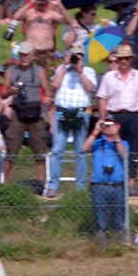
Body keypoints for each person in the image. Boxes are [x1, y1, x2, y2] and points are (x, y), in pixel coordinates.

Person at [96, 43, 138, 178]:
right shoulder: (109, 77)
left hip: (133, 116)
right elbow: (102, 99)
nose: (123, 61)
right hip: (114, 116)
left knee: (133, 150)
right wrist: (102, 120)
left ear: (131, 59)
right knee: (113, 147)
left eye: (126, 58)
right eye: (120, 59)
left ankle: (131, 181)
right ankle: (117, 178)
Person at [47, 48, 95, 196]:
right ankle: (53, 187)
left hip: (81, 113)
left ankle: (80, 187)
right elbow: (55, 85)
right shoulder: (62, 69)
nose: (76, 58)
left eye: (79, 55)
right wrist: (64, 65)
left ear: (83, 57)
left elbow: (91, 88)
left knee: (80, 151)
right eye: (74, 55)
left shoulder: (89, 71)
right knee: (57, 151)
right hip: (62, 112)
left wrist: (80, 70)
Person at [4, 44, 50, 188]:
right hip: (18, 113)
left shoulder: (39, 71)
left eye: (26, 55)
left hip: (35, 114)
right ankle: (4, 185)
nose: (23, 58)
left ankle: (42, 185)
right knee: (11, 149)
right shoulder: (11, 71)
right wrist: (11, 91)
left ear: (32, 56)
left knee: (40, 151)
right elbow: (3, 93)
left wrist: (48, 98)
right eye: (21, 55)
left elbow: (48, 92)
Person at [84, 116, 128, 241]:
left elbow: (124, 155)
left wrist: (117, 137)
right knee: (100, 220)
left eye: (111, 124)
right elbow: (85, 148)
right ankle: (101, 244)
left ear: (117, 125)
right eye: (106, 124)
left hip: (118, 185)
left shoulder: (123, 143)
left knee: (118, 219)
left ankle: (119, 243)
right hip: (99, 185)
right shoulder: (97, 144)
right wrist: (96, 130)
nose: (108, 127)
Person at [10, 0, 71, 66]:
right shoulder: (29, 13)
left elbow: (69, 21)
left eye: (43, 1)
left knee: (48, 76)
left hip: (48, 52)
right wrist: (31, 2)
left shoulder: (51, 14)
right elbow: (16, 17)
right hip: (31, 52)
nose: (41, 3)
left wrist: (59, 5)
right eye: (39, 0)